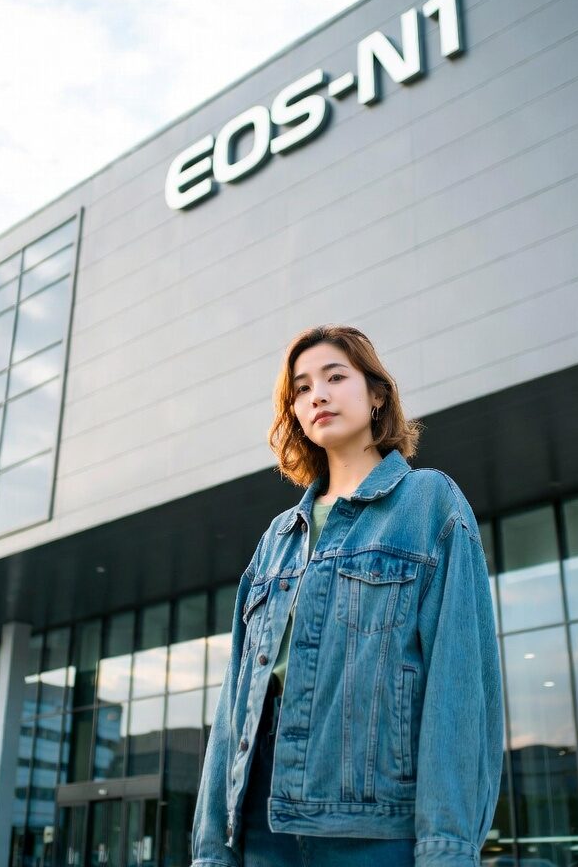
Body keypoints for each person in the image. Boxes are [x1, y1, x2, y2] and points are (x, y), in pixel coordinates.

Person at [192, 324, 503, 867]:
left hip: (374, 829)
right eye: (302, 387)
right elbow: (235, 703)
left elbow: (459, 684)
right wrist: (212, 849)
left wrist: (447, 848)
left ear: (376, 393)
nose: (318, 394)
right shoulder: (278, 536)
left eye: (335, 376)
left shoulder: (428, 502)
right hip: (261, 822)